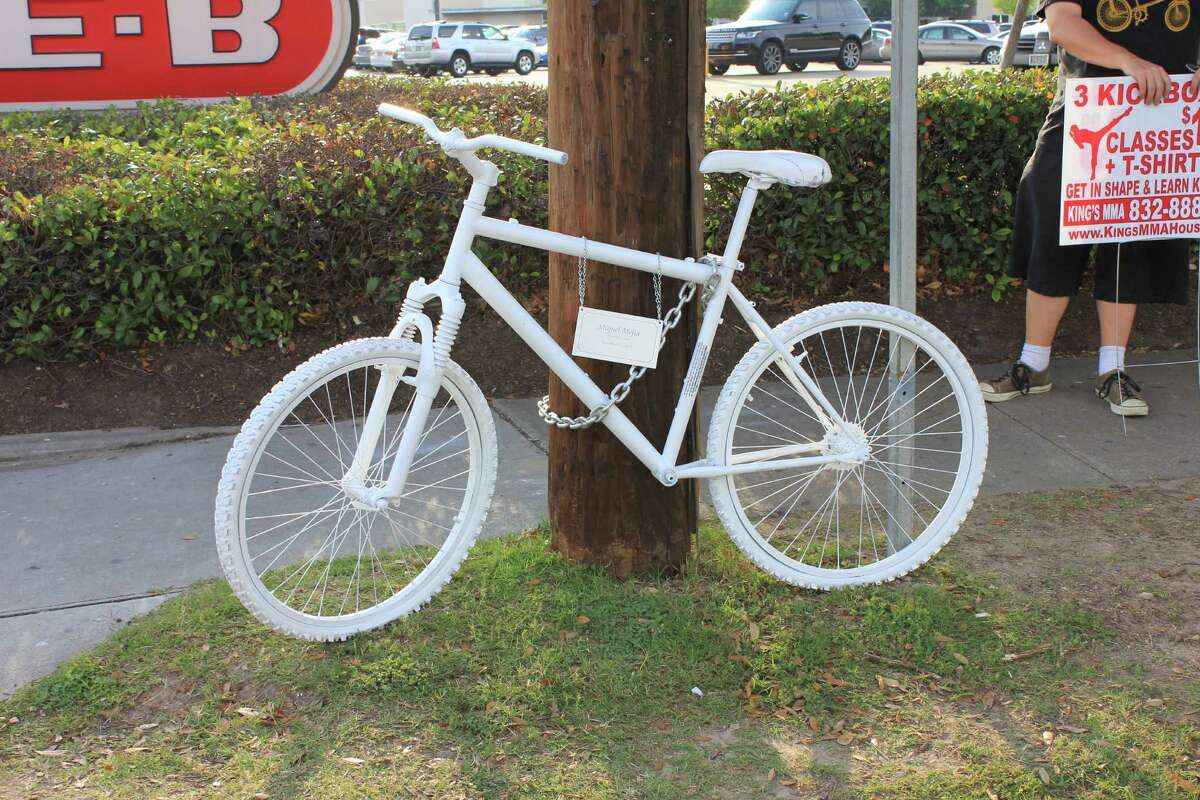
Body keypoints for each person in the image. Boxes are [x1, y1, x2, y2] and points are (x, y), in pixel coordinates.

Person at [980, 0, 1199, 416]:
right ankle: (1033, 364)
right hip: (1087, 109)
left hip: (1166, 117)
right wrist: (1128, 62)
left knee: (1131, 239)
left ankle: (1112, 371)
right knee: (1053, 228)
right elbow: (1063, 24)